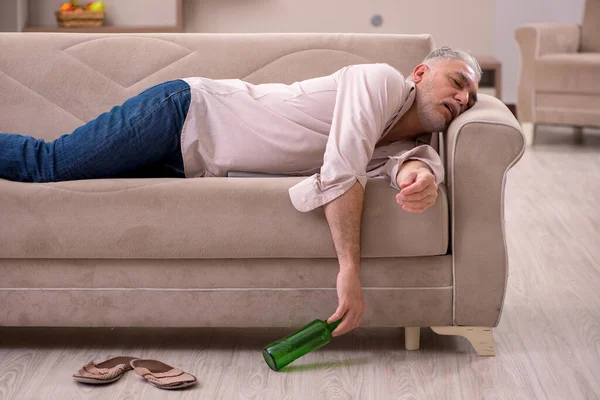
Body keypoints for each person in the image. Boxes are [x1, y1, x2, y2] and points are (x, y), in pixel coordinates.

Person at [0, 46, 481, 336]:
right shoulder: (377, 82)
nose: (463, 99)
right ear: (420, 73)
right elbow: (343, 170)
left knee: (61, 169)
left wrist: (420, 178)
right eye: (458, 83)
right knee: (51, 162)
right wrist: (350, 270)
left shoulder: (413, 144)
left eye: (471, 99)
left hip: (187, 161)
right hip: (184, 112)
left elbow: (407, 164)